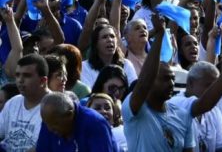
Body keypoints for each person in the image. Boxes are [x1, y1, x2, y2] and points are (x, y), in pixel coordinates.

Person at [122, 14, 195, 151]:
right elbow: (144, 83)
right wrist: (160, 35)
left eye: (173, 79)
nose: (171, 83)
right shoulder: (134, 109)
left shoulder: (182, 115)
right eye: (165, 79)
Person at [35, 91, 119, 151]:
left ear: (69, 114)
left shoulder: (95, 123)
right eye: (46, 123)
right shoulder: (50, 120)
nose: (50, 129)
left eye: (55, 124)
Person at [0, 54, 50, 151]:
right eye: (17, 75)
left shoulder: (53, 106)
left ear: (43, 81)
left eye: (27, 75)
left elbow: (43, 147)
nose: (20, 80)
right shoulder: (13, 102)